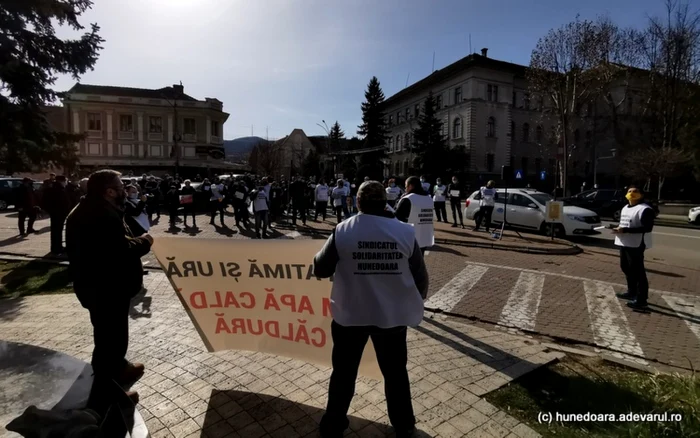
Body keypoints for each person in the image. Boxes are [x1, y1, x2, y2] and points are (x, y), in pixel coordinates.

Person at [313, 181, 429, 438]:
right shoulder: (405, 232)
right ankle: (404, 426)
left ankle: (332, 425)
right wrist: (412, 302)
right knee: (396, 374)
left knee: (343, 373)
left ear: (357, 202)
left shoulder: (343, 230)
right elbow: (421, 278)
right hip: (392, 318)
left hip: (350, 316)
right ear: (385, 202)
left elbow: (320, 268)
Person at [65, 170, 153, 404]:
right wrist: (146, 241)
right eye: (120, 186)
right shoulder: (97, 215)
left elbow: (120, 238)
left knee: (112, 337)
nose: (125, 189)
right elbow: (120, 251)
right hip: (104, 290)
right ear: (109, 191)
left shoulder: (100, 208)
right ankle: (108, 394)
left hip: (105, 287)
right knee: (109, 343)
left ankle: (120, 367)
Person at [614, 185, 654, 310]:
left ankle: (642, 299)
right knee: (625, 267)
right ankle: (631, 291)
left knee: (638, 271)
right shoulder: (625, 207)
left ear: (641, 195)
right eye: (629, 191)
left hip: (636, 244)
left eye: (635, 191)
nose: (631, 193)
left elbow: (647, 228)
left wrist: (626, 230)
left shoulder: (645, 209)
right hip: (624, 242)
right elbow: (625, 223)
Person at [395, 176, 435, 255]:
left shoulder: (408, 199)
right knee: (420, 260)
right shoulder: (429, 199)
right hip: (425, 237)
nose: (405, 189)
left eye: (406, 186)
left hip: (410, 238)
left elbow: (397, 217)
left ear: (410, 186)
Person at [43, 175, 71, 254]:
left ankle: (58, 246)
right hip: (58, 213)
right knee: (56, 231)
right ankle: (56, 248)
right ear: (61, 181)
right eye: (65, 181)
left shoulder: (57, 188)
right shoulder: (56, 189)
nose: (66, 182)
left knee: (57, 231)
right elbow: (48, 201)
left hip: (58, 213)